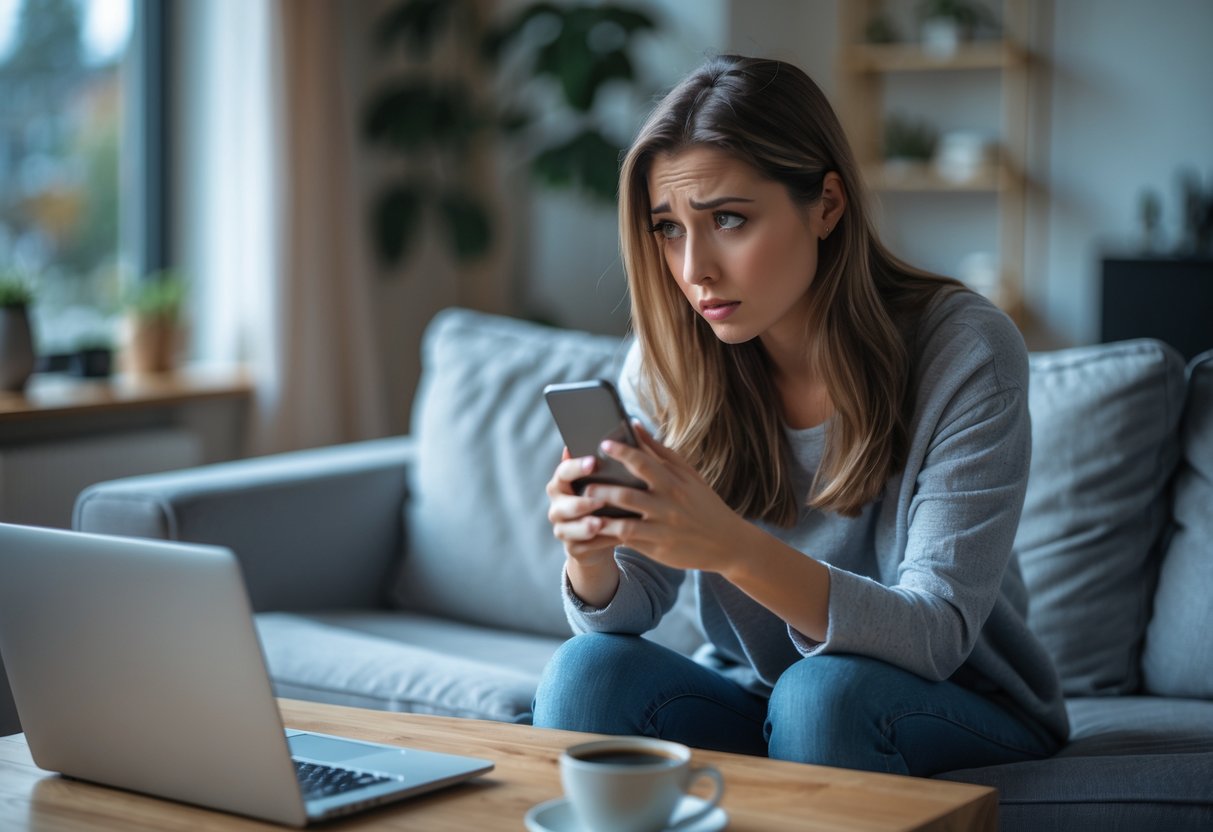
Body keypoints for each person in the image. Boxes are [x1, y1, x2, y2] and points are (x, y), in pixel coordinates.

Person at [533, 54, 1068, 777]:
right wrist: (589, 555)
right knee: (584, 674)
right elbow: (629, 610)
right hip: (767, 693)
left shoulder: (963, 350)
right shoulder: (670, 363)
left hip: (953, 699)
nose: (694, 270)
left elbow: (935, 634)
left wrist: (729, 547)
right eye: (669, 228)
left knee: (822, 698)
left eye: (727, 219)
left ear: (826, 205)